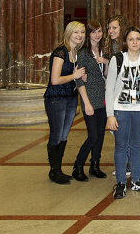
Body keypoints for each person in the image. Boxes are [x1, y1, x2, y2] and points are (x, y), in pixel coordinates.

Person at [106, 26, 140, 199]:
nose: (134, 42)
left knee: (137, 145)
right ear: (125, 41)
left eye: (138, 39)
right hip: (121, 109)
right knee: (121, 146)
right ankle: (121, 182)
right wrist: (110, 114)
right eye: (131, 39)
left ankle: (136, 179)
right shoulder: (117, 59)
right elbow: (109, 88)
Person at [44, 21, 86, 184]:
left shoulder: (75, 52)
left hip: (70, 98)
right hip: (56, 98)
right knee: (56, 135)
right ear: (68, 33)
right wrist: (74, 76)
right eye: (76, 32)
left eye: (82, 32)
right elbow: (54, 80)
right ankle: (54, 171)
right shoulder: (60, 51)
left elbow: (74, 76)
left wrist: (81, 77)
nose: (80, 35)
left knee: (63, 135)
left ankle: (58, 170)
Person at [73, 20, 109, 181]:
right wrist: (86, 103)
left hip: (103, 96)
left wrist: (106, 62)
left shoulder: (104, 51)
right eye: (93, 32)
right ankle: (78, 166)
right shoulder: (83, 53)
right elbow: (79, 79)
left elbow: (106, 75)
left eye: (99, 31)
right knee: (93, 135)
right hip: (90, 97)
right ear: (88, 34)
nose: (97, 35)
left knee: (100, 134)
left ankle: (95, 164)